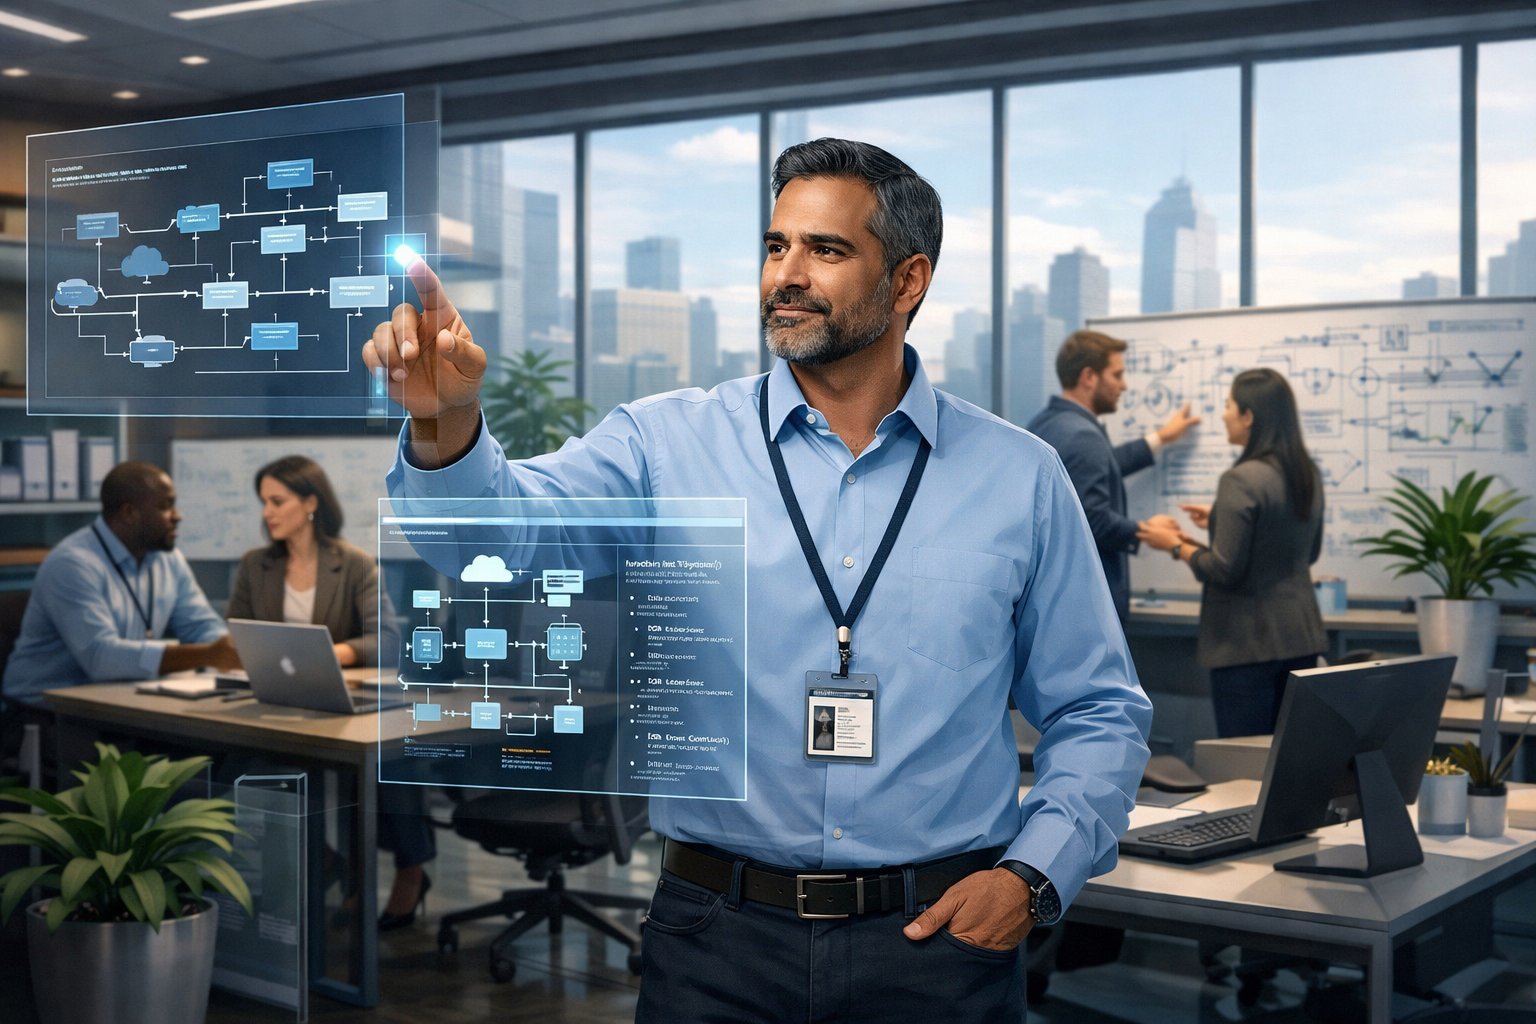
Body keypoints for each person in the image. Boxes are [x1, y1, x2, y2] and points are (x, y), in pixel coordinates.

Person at [367, 138, 1151, 1021]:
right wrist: (446, 424)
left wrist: (1032, 877)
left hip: (938, 946)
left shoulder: (1020, 476)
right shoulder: (664, 445)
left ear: (908, 281)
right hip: (716, 941)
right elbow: (497, 540)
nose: (787, 273)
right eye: (777, 245)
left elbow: (1098, 707)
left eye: (826, 249)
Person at [226, 455, 430, 929]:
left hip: (345, 702)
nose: (267, 512)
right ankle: (325, 859)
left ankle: (411, 869)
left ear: (310, 503)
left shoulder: (354, 564)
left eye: (277, 501)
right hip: (279, 702)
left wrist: (330, 652)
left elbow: (388, 642)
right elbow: (236, 634)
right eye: (263, 502)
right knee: (238, 762)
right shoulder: (256, 565)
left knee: (392, 758)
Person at [1138, 367, 1326, 737]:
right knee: (1287, 757)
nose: (1223, 415)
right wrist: (1219, 520)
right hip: (1300, 638)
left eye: (1228, 406)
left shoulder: (1240, 479)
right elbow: (1306, 551)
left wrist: (1174, 545)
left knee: (1244, 760)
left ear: (1248, 416)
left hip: (1246, 645)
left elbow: (1224, 569)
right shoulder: (1307, 473)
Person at [3, 461, 238, 707]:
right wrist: (208, 655)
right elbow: (101, 658)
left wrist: (229, 652)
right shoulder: (72, 563)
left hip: (119, 700)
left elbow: (201, 626)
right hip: (44, 710)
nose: (177, 516)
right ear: (129, 513)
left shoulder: (167, 559)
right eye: (165, 506)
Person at [1026, 330, 1199, 622]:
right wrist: (1144, 530)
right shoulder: (1083, 436)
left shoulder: (1047, 423)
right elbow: (1092, 519)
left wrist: (1161, 438)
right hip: (1086, 608)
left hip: (1051, 599)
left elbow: (1100, 467)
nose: (1124, 385)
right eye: (1117, 375)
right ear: (1089, 377)